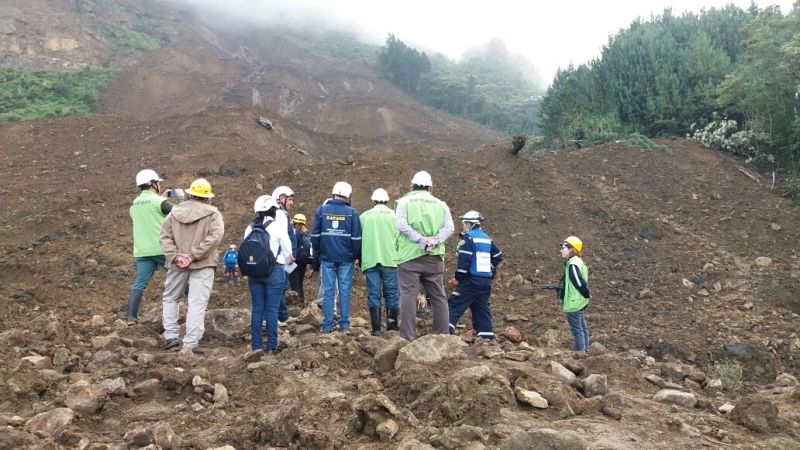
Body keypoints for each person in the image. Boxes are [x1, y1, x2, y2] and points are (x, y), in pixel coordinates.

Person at [159, 178, 225, 355]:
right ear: (207, 197)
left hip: (177, 265)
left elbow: (164, 237)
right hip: (203, 264)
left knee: (171, 298)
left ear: (189, 194)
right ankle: (190, 343)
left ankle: (171, 337)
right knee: (196, 303)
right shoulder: (213, 214)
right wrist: (194, 255)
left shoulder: (174, 213)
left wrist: (175, 256)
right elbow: (215, 238)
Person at [395, 171, 455, 341]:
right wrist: (434, 241)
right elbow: (450, 228)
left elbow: (400, 225)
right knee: (438, 296)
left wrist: (420, 240)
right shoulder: (441, 204)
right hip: (434, 257)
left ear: (412, 185)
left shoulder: (404, 202)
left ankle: (407, 337)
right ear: (430, 187)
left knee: (408, 295)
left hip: (409, 257)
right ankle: (442, 337)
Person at [126, 169, 183, 325]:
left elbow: (149, 214)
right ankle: (199, 308)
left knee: (139, 282)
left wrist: (160, 198)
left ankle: (131, 317)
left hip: (142, 251)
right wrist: (181, 199)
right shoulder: (159, 202)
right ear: (153, 184)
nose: (159, 185)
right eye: (158, 182)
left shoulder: (134, 204)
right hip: (161, 249)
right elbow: (180, 214)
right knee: (180, 276)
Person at [245, 195, 294, 354]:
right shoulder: (277, 226)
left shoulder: (250, 227)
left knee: (257, 308)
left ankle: (256, 346)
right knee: (272, 309)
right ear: (273, 210)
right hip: (275, 271)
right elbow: (288, 252)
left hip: (254, 272)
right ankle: (272, 346)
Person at [311, 181, 361, 333]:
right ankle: (344, 325)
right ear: (348, 195)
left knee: (328, 291)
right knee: (345, 291)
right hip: (346, 259)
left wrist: (319, 253)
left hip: (327, 258)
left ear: (334, 193)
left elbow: (315, 236)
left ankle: (327, 325)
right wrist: (354, 255)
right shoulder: (352, 213)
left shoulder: (322, 210)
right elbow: (357, 239)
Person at [447, 211, 503, 340]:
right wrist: (489, 271)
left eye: (465, 223)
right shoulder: (487, 238)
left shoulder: (469, 238)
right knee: (481, 309)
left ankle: (444, 332)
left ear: (470, 224)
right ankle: (486, 337)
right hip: (485, 282)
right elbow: (498, 256)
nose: (464, 226)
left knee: (454, 304)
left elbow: (464, 261)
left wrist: (457, 278)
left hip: (471, 280)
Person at [359, 188, 400, 336]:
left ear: (373, 200)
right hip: (391, 260)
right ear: (387, 201)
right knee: (392, 294)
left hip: (370, 261)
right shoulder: (395, 216)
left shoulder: (364, 217)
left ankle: (376, 330)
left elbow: (359, 239)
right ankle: (392, 328)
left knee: (374, 294)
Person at [558, 236, 591, 355]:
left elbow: (578, 282)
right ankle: (586, 352)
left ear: (572, 249)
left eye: (564, 247)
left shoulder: (573, 264)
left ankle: (580, 355)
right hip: (578, 300)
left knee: (577, 330)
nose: (562, 250)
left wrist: (586, 293)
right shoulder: (576, 262)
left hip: (574, 302)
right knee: (582, 329)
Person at [272, 186, 296, 324]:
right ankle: (278, 316)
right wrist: (289, 256)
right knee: (279, 287)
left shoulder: (281, 214)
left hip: (282, 258)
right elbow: (283, 237)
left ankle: (281, 315)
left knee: (281, 287)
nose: (292, 203)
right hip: (281, 258)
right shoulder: (280, 214)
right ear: (282, 198)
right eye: (290, 199)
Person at [289, 213, 312, 300]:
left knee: (294, 285)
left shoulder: (296, 234)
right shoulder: (307, 233)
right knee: (300, 283)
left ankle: (297, 305)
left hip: (294, 262)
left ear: (296, 223)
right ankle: (301, 302)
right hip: (303, 262)